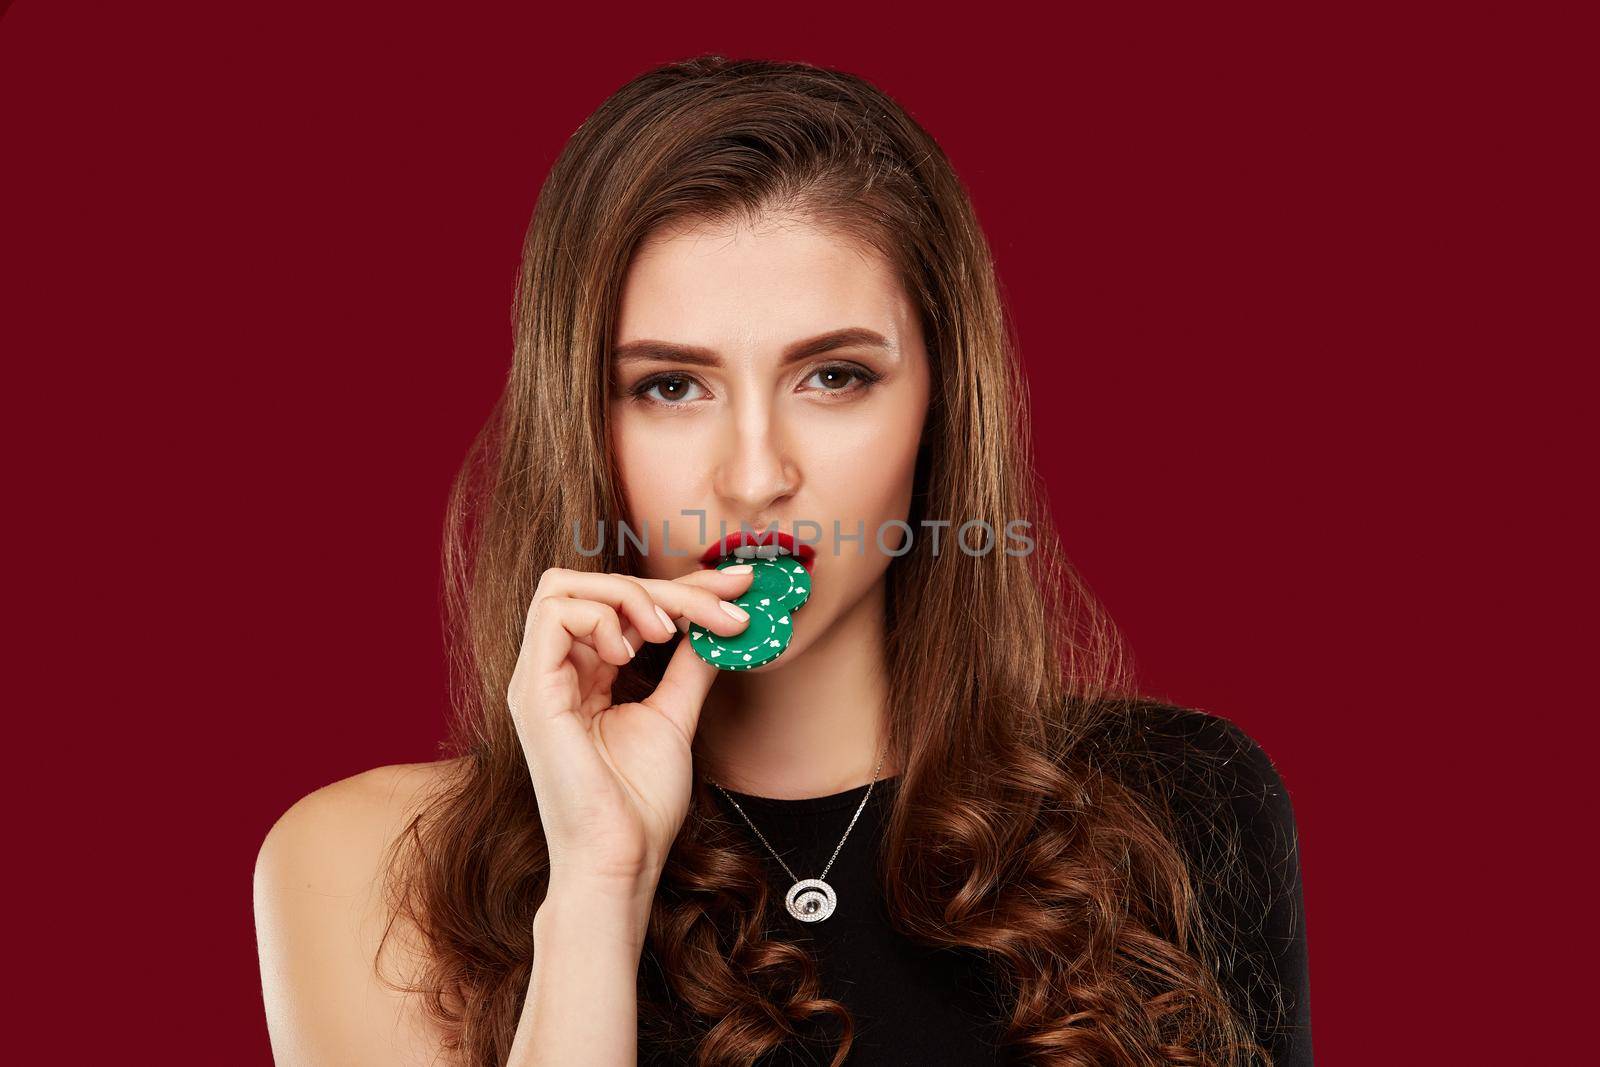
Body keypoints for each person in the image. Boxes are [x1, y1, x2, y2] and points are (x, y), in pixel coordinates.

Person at [253, 55, 1312, 1066]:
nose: (755, 474)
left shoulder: (1176, 805)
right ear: (581, 420)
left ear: (938, 407)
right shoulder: (368, 865)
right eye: (670, 385)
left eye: (834, 376)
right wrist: (596, 883)